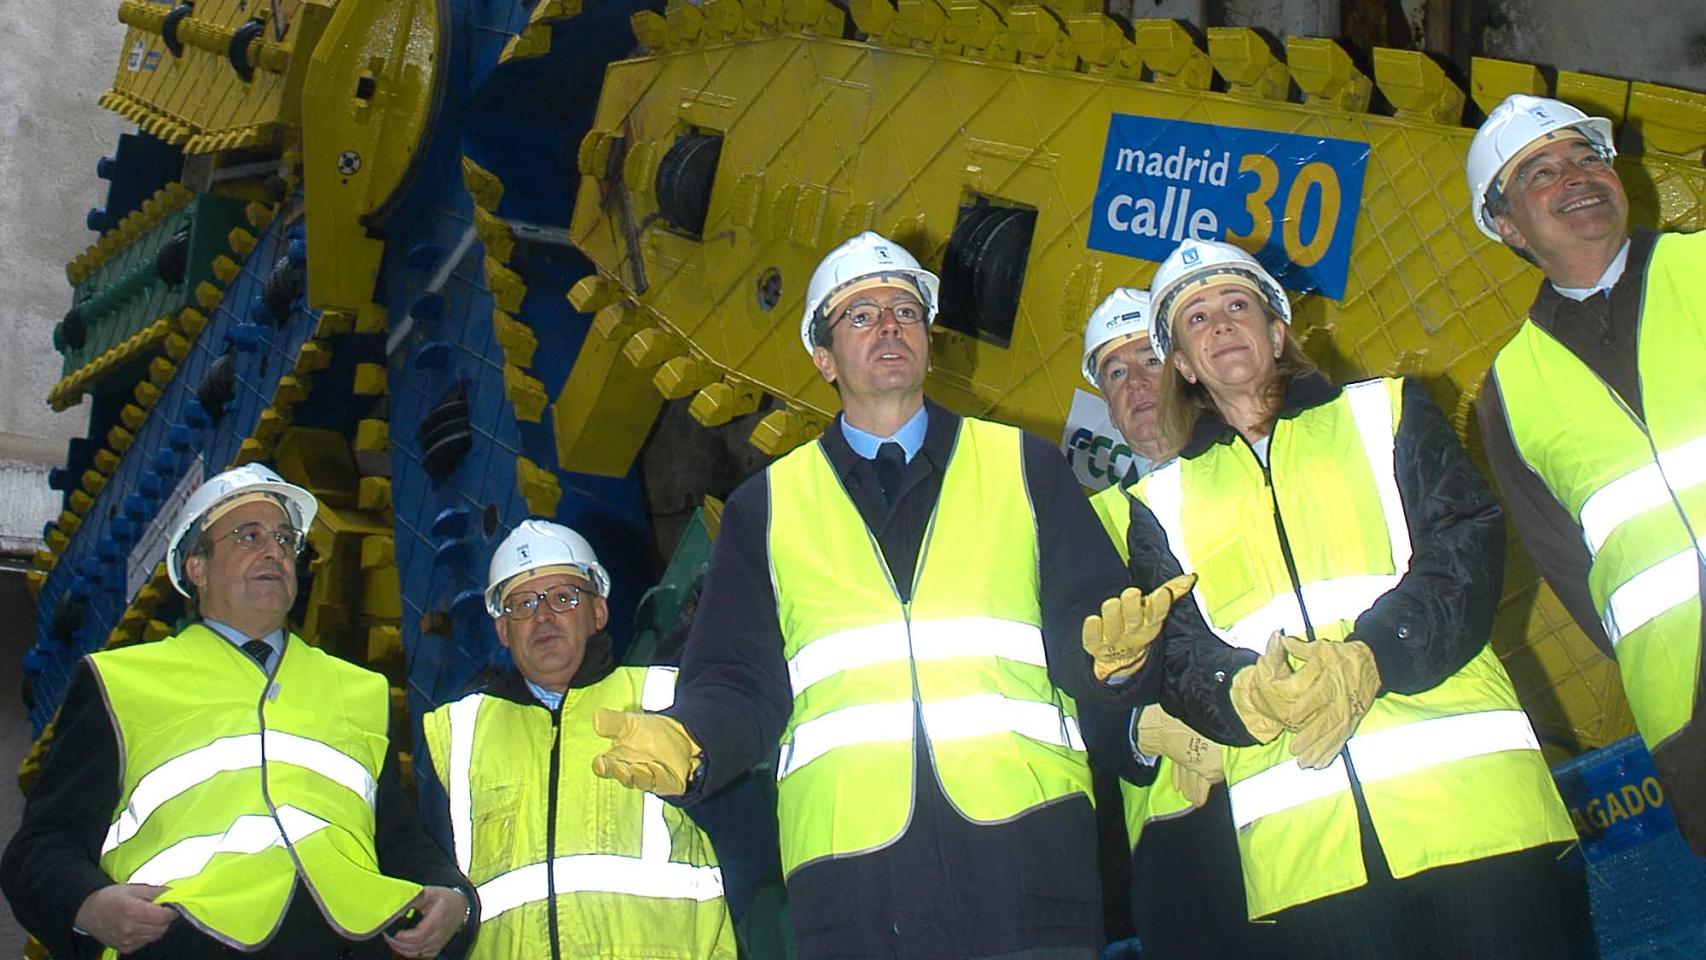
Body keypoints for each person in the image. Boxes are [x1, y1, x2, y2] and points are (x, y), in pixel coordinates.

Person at [589, 230, 1190, 959]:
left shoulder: (1022, 467)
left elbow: (1085, 627)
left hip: (1029, 862)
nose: (888, 328)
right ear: (822, 356)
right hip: (854, 887)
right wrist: (692, 739)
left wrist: (1115, 663)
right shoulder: (766, 508)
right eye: (861, 315)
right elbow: (738, 680)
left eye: (905, 312)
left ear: (929, 341)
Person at [1127, 238, 1579, 958]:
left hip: (1473, 819)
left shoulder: (1390, 413)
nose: (1221, 326)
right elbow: (1178, 655)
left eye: (1238, 305)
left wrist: (1375, 655)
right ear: (1181, 364)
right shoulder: (1159, 502)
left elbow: (1463, 542)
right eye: (1196, 319)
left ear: (1277, 330)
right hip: (1307, 862)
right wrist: (1239, 694)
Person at [2, 464, 475, 959]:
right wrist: (91, 905)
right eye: (249, 536)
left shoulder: (360, 690)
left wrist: (454, 897)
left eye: (284, 539)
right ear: (197, 568)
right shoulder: (118, 682)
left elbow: (398, 840)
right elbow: (42, 845)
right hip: (187, 945)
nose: (274, 551)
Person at [1467, 93, 1706, 855]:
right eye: (1540, 171)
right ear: (1507, 225)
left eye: (1586, 156)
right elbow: (1574, 572)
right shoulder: (1511, 392)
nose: (1575, 176)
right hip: (1688, 712)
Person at [419, 520, 735, 960]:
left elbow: (747, 846)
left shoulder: (670, 701)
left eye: (563, 598)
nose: (543, 616)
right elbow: (437, 883)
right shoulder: (456, 735)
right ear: (503, 631)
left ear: (599, 612)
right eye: (522, 605)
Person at [1078, 288, 1262, 959]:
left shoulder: (1258, 473)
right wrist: (1136, 725)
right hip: (1174, 824)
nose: (1135, 384)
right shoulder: (1088, 530)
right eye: (1114, 372)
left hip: (1290, 787)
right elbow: (1065, 682)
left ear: (1186, 367)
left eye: (1148, 359)